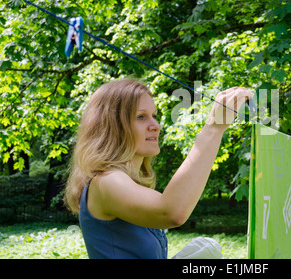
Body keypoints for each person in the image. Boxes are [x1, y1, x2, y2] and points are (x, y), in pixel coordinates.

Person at [64, 78, 253, 259]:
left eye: (153, 116)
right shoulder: (106, 182)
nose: (156, 125)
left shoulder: (126, 182)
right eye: (141, 117)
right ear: (112, 126)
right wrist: (214, 127)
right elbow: (171, 212)